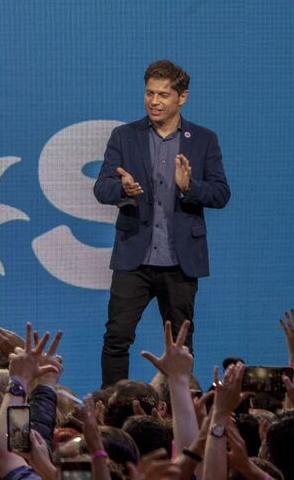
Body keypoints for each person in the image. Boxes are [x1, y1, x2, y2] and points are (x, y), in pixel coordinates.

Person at [93, 59, 230, 387]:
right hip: (134, 258)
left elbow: (221, 193)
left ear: (181, 98)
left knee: (182, 347)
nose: (153, 101)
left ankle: (179, 413)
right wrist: (123, 190)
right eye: (149, 93)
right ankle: (113, 410)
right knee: (116, 338)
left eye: (163, 95)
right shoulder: (125, 137)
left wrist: (189, 187)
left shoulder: (203, 140)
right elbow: (102, 188)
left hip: (180, 261)